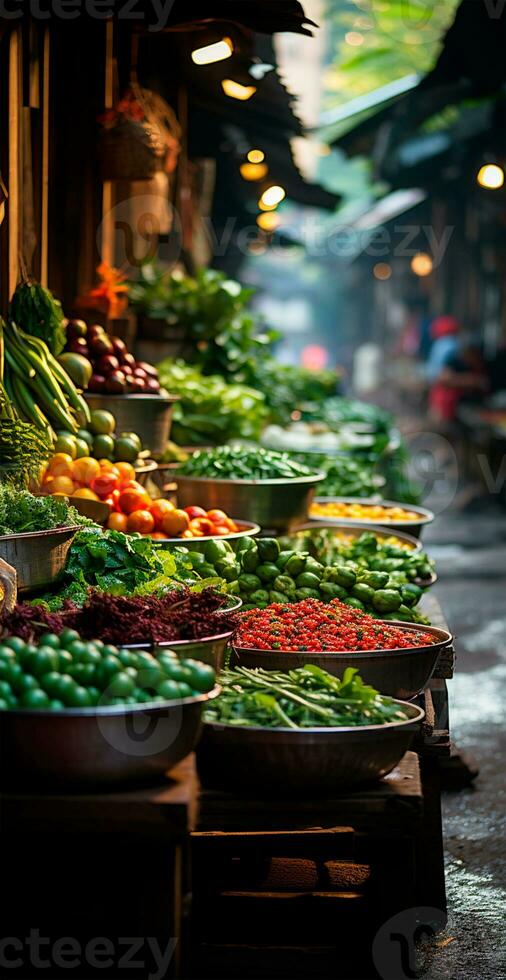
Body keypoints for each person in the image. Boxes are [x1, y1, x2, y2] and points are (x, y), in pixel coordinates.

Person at [427, 316, 487, 423]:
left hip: (450, 399)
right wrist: (472, 381)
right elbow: (443, 377)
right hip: (446, 399)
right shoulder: (451, 348)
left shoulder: (442, 344)